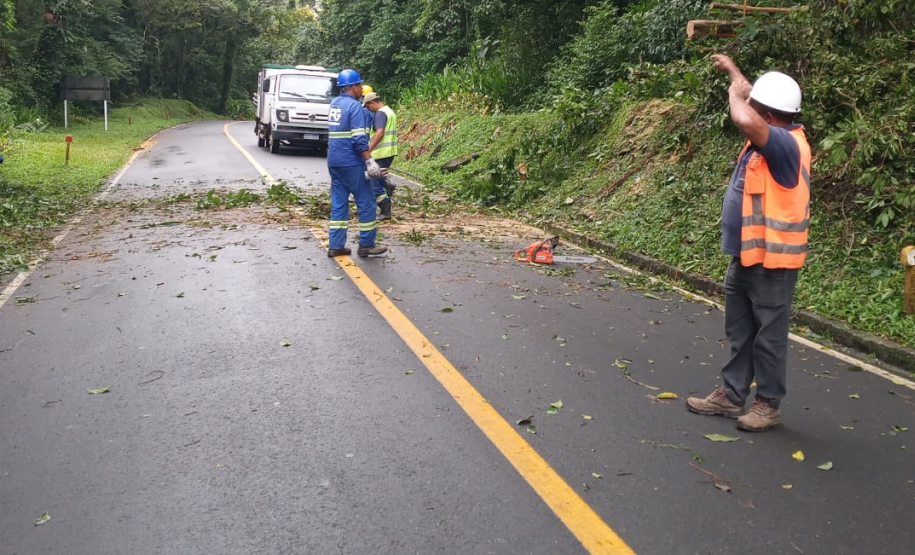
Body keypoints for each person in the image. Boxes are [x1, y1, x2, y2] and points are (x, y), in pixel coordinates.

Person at [686, 54, 811, 432]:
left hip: (773, 262)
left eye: (757, 108)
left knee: (769, 338)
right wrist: (734, 73)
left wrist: (733, 94)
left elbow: (743, 115)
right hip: (747, 256)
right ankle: (732, 394)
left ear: (769, 118)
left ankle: (768, 405)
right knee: (740, 330)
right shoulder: (770, 135)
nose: (749, 110)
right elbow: (751, 105)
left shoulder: (785, 146)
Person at [326, 69, 387, 258]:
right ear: (353, 87)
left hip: (334, 161)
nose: (361, 88)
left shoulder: (335, 104)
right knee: (367, 202)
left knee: (339, 203)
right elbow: (359, 139)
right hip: (351, 162)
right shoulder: (355, 108)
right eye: (359, 84)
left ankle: (336, 246)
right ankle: (367, 245)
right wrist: (369, 161)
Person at [363, 91, 397, 220]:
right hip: (389, 152)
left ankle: (385, 209)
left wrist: (368, 149)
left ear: (372, 103)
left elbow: (380, 133)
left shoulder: (380, 114)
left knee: (373, 182)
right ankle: (388, 185)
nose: (368, 109)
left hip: (380, 153)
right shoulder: (389, 111)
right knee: (378, 177)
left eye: (367, 106)